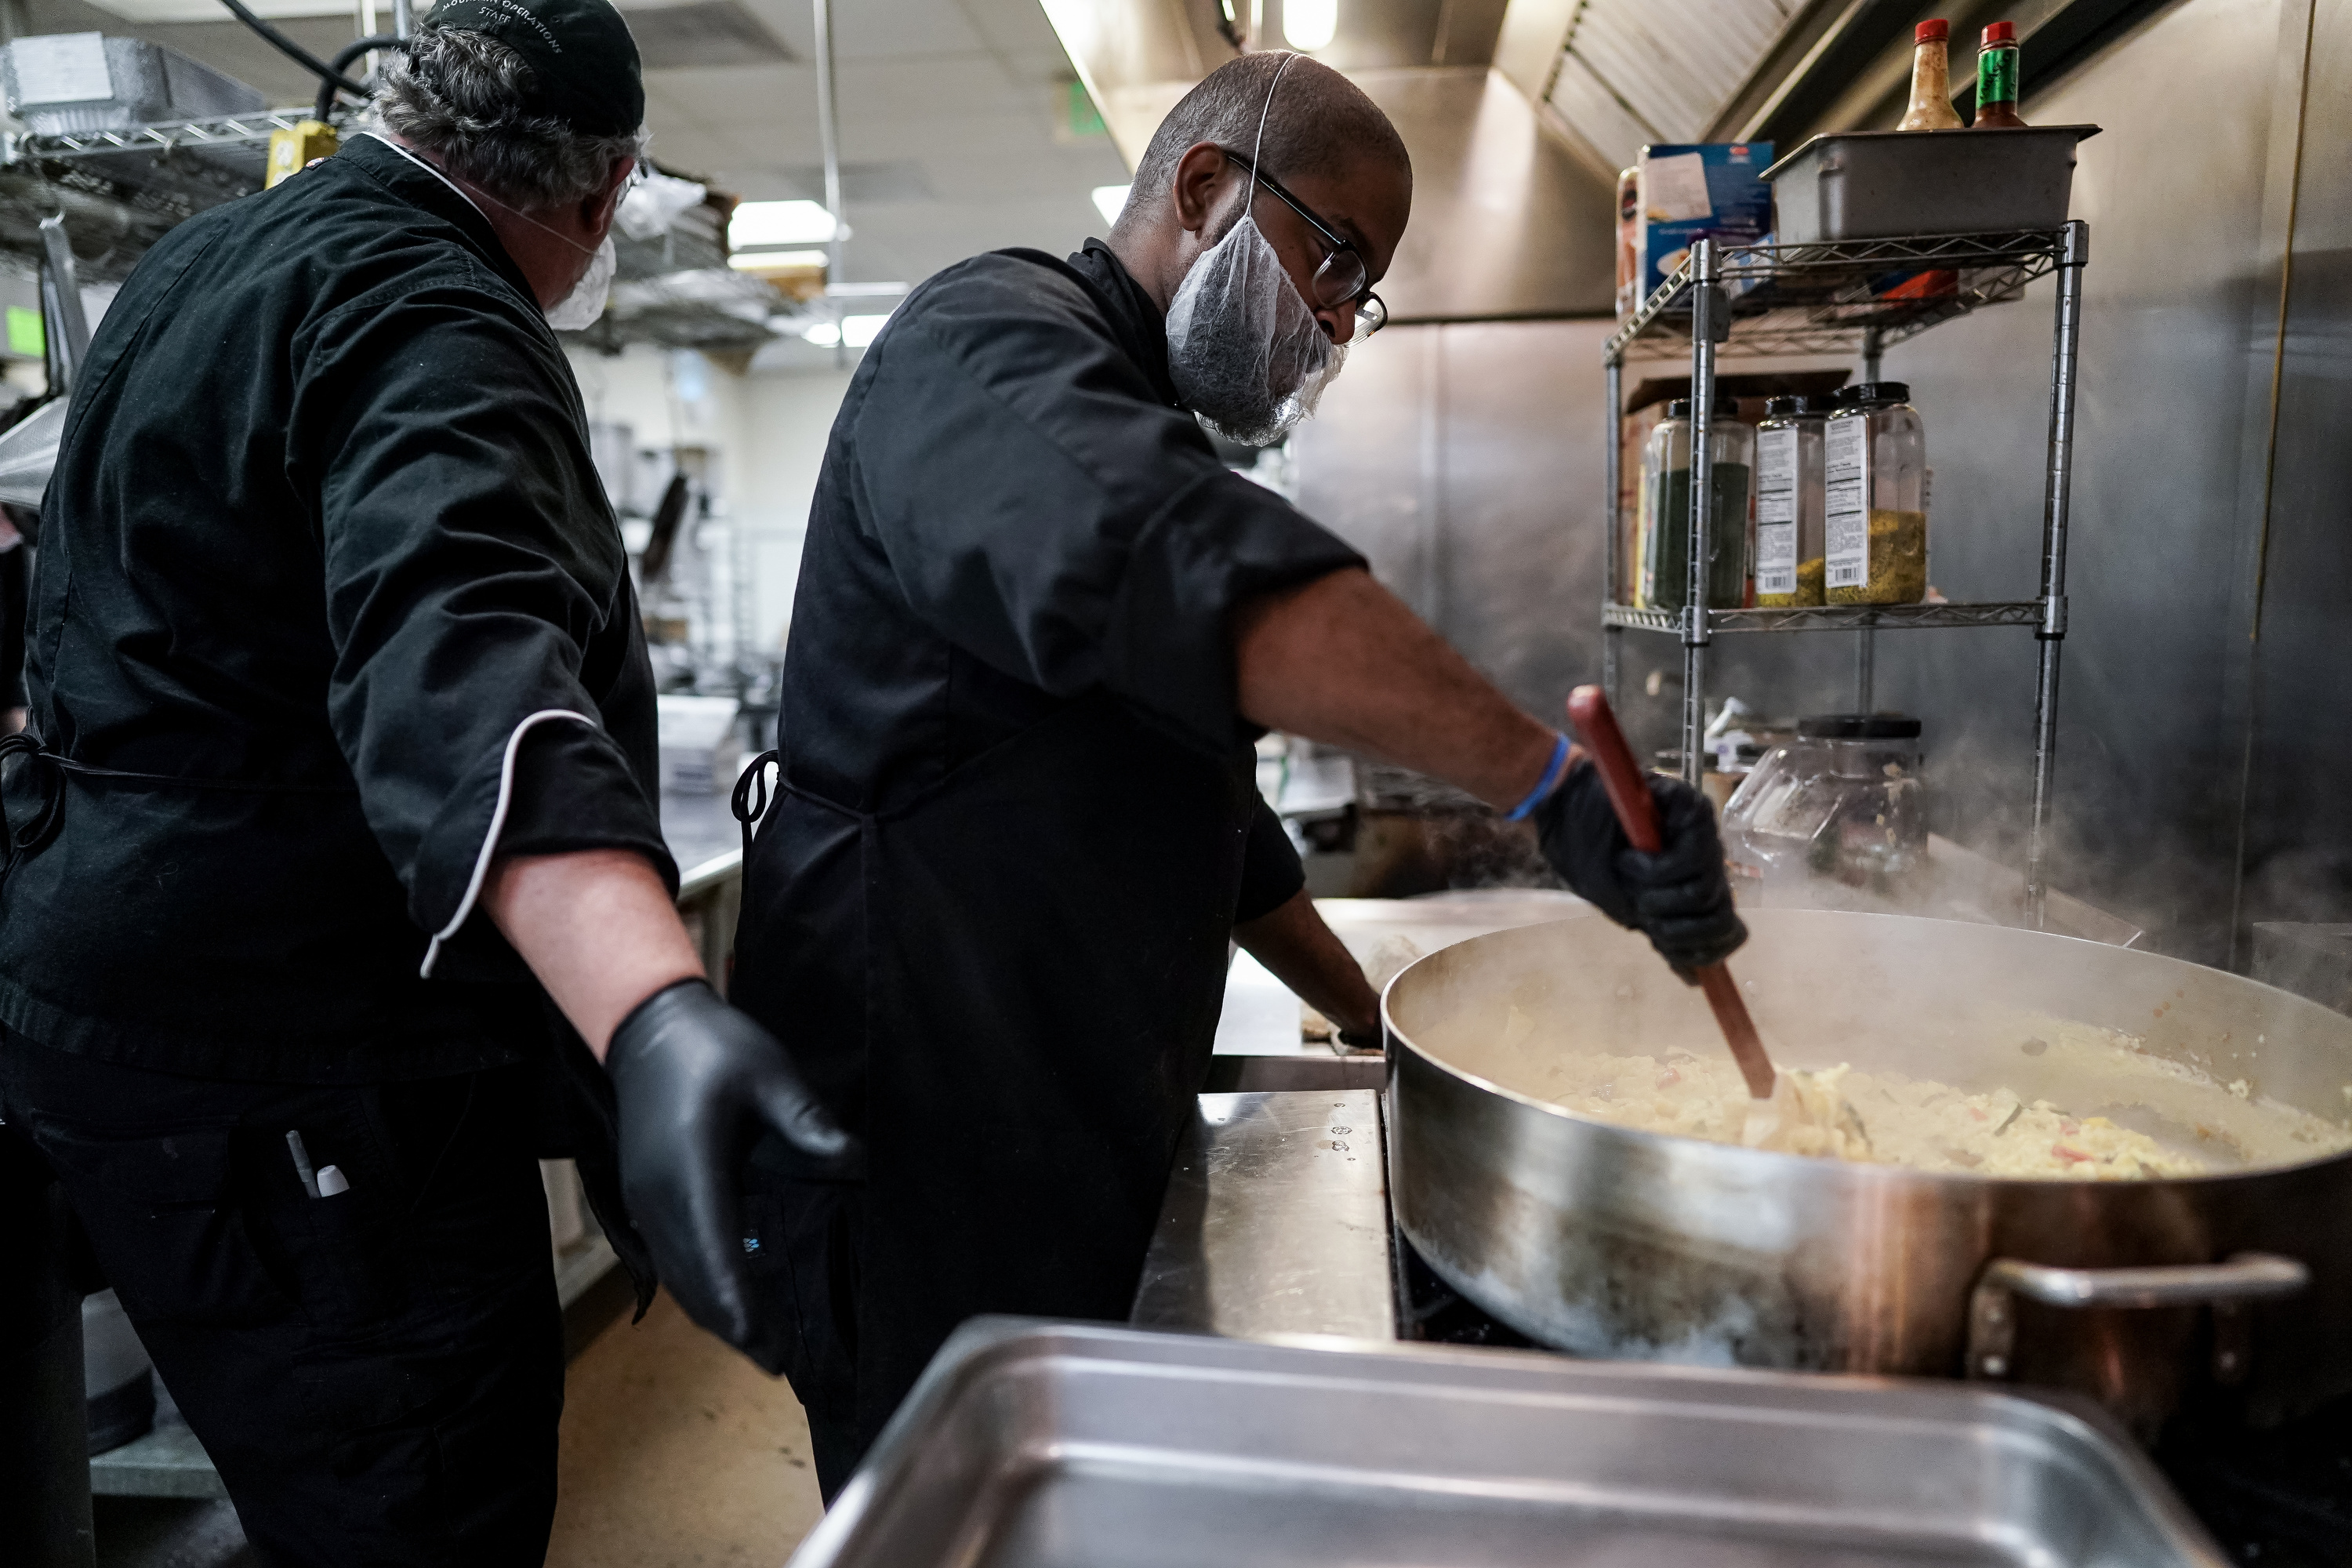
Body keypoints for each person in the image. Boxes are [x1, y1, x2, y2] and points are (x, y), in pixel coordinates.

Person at [728, 50, 1744, 1497]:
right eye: (1332, 260)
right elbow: (1185, 573)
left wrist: (1381, 1026)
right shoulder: (985, 344)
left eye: (1360, 298)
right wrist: (1555, 791)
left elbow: (1206, 814)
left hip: (1072, 1118)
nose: (1334, 322)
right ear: (1204, 186)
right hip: (925, 1139)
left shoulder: (1140, 409)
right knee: (955, 1516)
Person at [0, 2, 849, 1560]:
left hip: (103, 1012)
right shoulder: (437, 317)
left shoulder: (201, 267)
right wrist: (653, 1011)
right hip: (295, 1069)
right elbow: (459, 659)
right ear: (603, 201)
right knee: (424, 1506)